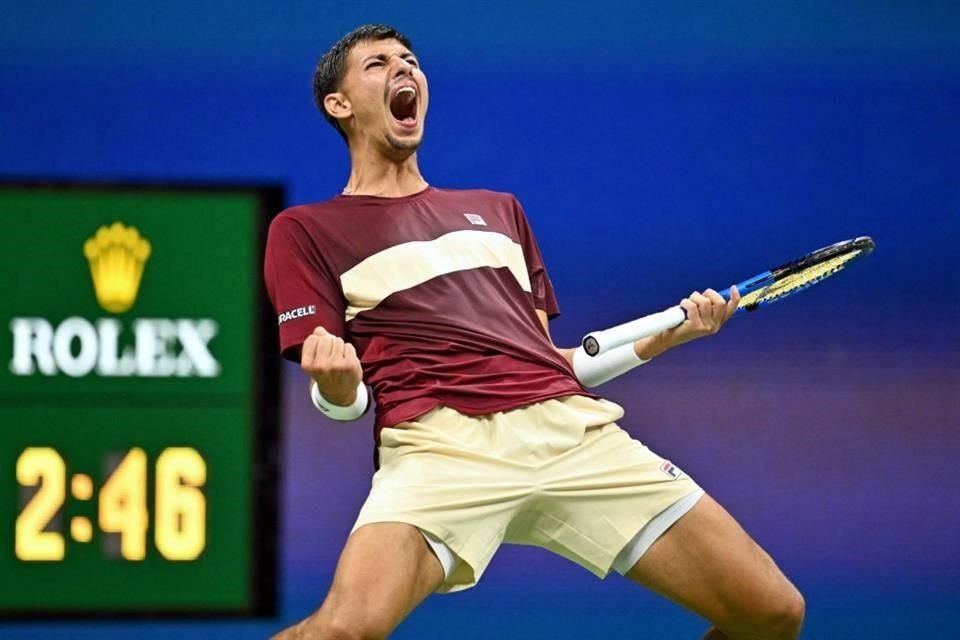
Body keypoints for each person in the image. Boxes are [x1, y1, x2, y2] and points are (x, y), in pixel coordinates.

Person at [264, 24, 804, 640]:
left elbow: (552, 363)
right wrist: (338, 387)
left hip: (569, 434)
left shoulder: (500, 211)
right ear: (339, 104)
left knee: (770, 610)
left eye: (411, 61)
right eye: (379, 64)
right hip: (440, 448)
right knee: (345, 629)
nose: (404, 71)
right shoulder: (305, 229)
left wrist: (668, 339)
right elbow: (343, 395)